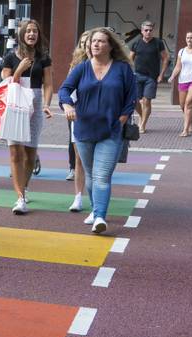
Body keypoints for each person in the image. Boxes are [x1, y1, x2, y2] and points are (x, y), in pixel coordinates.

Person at [59, 27, 137, 234]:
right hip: (84, 130)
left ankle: (100, 217)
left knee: (102, 176)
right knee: (92, 176)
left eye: (101, 41)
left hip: (111, 131)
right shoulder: (82, 68)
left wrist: (121, 119)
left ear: (111, 45)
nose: (96, 44)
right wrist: (67, 105)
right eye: (94, 41)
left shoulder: (122, 68)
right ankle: (96, 210)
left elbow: (131, 97)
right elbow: (65, 89)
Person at [1, 19, 53, 215]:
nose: (32, 34)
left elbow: (48, 84)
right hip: (15, 104)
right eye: (28, 31)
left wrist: (47, 104)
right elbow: (5, 82)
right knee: (16, 153)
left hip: (36, 103)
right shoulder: (9, 57)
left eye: (35, 32)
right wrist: (20, 69)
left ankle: (25, 186)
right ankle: (20, 198)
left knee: (30, 153)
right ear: (21, 34)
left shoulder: (44, 58)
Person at [67, 31, 92, 213]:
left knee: (96, 161)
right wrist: (67, 105)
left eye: (88, 42)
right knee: (79, 159)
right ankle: (78, 197)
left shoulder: (106, 65)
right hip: (78, 115)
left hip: (99, 117)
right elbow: (66, 89)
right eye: (82, 42)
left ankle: (96, 197)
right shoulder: (76, 66)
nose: (85, 46)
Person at [129, 21, 168, 134]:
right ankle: (142, 115)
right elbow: (130, 59)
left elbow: (165, 58)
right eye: (146, 30)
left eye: (150, 30)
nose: (148, 32)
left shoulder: (158, 43)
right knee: (135, 101)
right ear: (142, 31)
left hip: (151, 77)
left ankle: (143, 124)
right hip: (137, 75)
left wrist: (161, 74)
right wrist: (129, 73)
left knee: (146, 101)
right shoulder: (136, 43)